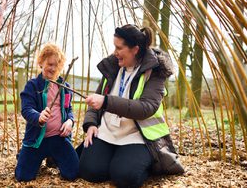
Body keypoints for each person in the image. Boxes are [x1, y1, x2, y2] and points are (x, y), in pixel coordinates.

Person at [79, 24, 183, 188]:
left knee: (126, 178)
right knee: (89, 171)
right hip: (107, 131)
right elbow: (95, 100)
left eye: (119, 48)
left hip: (137, 136)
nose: (115, 52)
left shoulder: (155, 71)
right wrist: (91, 123)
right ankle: (115, 158)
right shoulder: (113, 65)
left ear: (135, 49)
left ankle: (141, 162)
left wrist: (106, 102)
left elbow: (145, 108)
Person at [15, 43, 79, 182]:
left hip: (58, 138)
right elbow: (26, 109)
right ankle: (25, 156)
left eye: (57, 65)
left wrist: (70, 121)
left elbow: (69, 109)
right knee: (23, 177)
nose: (53, 68)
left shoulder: (64, 87)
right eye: (50, 64)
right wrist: (38, 116)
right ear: (41, 63)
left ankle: (52, 157)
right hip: (37, 140)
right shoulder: (32, 86)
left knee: (72, 173)